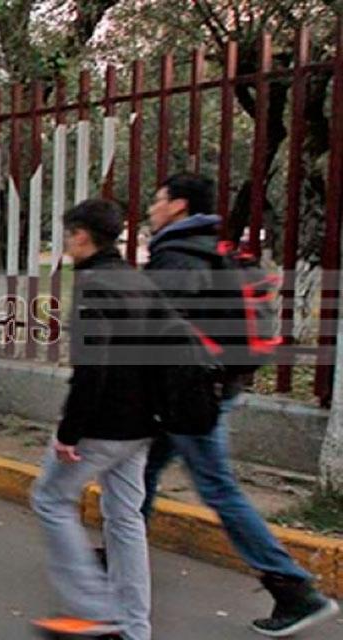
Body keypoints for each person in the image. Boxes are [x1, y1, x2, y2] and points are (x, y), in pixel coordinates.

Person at [142, 172, 338, 637]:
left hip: (191, 397)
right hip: (209, 389)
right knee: (143, 468)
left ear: (179, 206)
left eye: (158, 199)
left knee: (218, 489)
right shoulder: (211, 248)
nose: (151, 207)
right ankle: (121, 548)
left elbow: (153, 331)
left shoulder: (178, 257)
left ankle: (293, 589)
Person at [30, 200, 159, 640]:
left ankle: (95, 612)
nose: (65, 243)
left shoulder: (94, 286)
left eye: (68, 234)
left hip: (102, 425)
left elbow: (92, 367)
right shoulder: (136, 280)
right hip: (141, 426)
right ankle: (134, 628)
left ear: (82, 235)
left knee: (50, 499)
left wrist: (70, 433)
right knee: (125, 519)